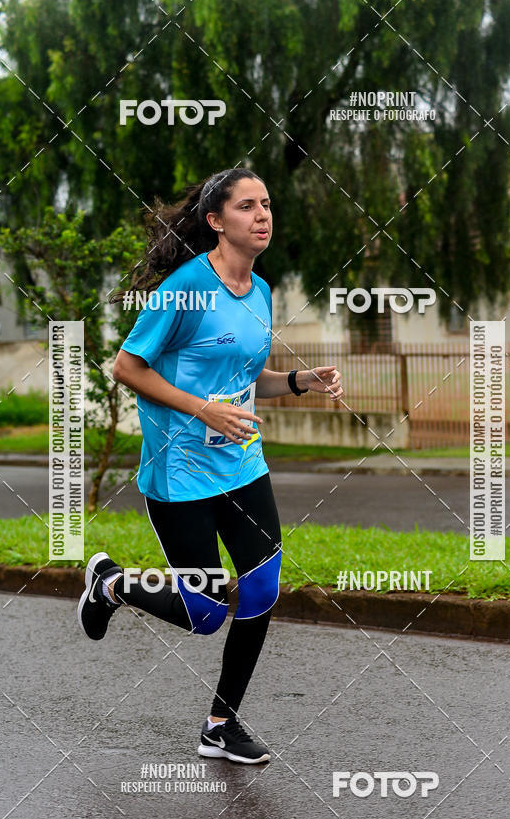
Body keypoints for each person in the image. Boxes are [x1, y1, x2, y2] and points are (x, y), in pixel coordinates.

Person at [77, 167, 343, 764]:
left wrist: (299, 381)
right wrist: (204, 411)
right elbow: (127, 367)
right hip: (181, 473)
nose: (263, 215)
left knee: (261, 588)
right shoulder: (184, 290)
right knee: (202, 615)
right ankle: (112, 583)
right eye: (247, 206)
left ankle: (221, 725)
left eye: (267, 204)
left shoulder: (263, 291)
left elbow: (245, 383)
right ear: (216, 221)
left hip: (243, 466)